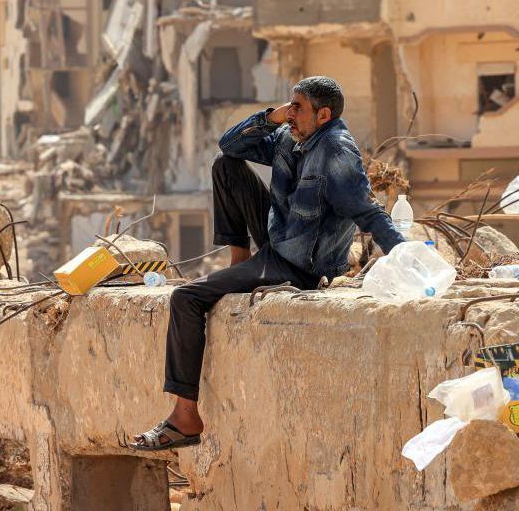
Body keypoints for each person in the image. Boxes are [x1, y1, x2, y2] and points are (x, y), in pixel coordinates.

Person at [132, 76, 407, 451]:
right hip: (278, 241)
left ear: (323, 115)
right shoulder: (289, 136)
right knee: (225, 166)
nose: (291, 115)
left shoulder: (337, 152)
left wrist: (409, 257)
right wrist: (271, 118)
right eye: (290, 106)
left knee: (187, 299)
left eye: (299, 109)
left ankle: (185, 418)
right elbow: (229, 144)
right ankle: (239, 261)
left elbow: (368, 212)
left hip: (301, 267)